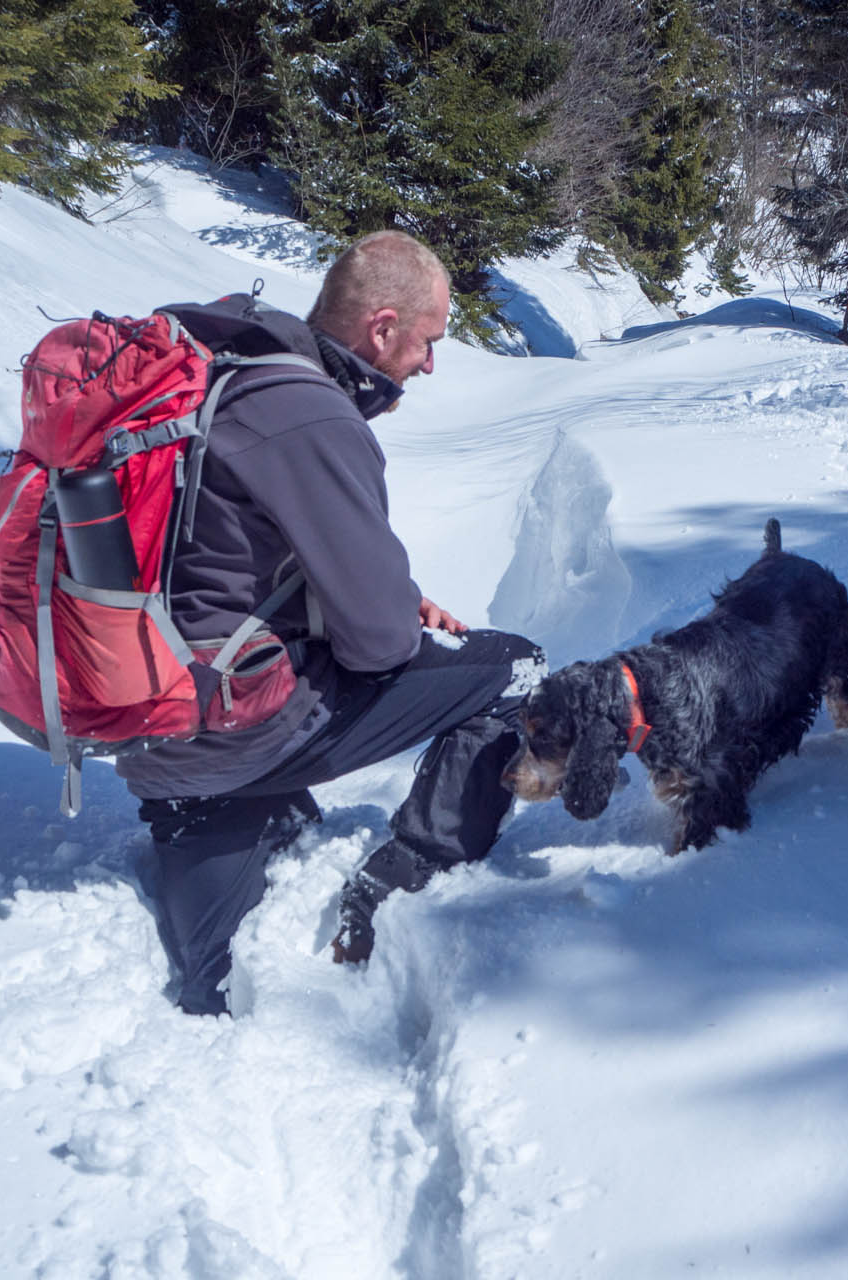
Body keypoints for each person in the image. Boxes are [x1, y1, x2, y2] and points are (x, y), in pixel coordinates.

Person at [119, 230, 543, 1016]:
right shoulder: (309, 415)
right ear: (382, 328)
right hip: (235, 727)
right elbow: (378, 644)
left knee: (213, 966)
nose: (429, 364)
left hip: (153, 721)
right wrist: (397, 621)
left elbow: (224, 557)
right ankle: (417, 880)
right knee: (519, 670)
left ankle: (222, 818)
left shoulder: (224, 373)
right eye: (428, 341)